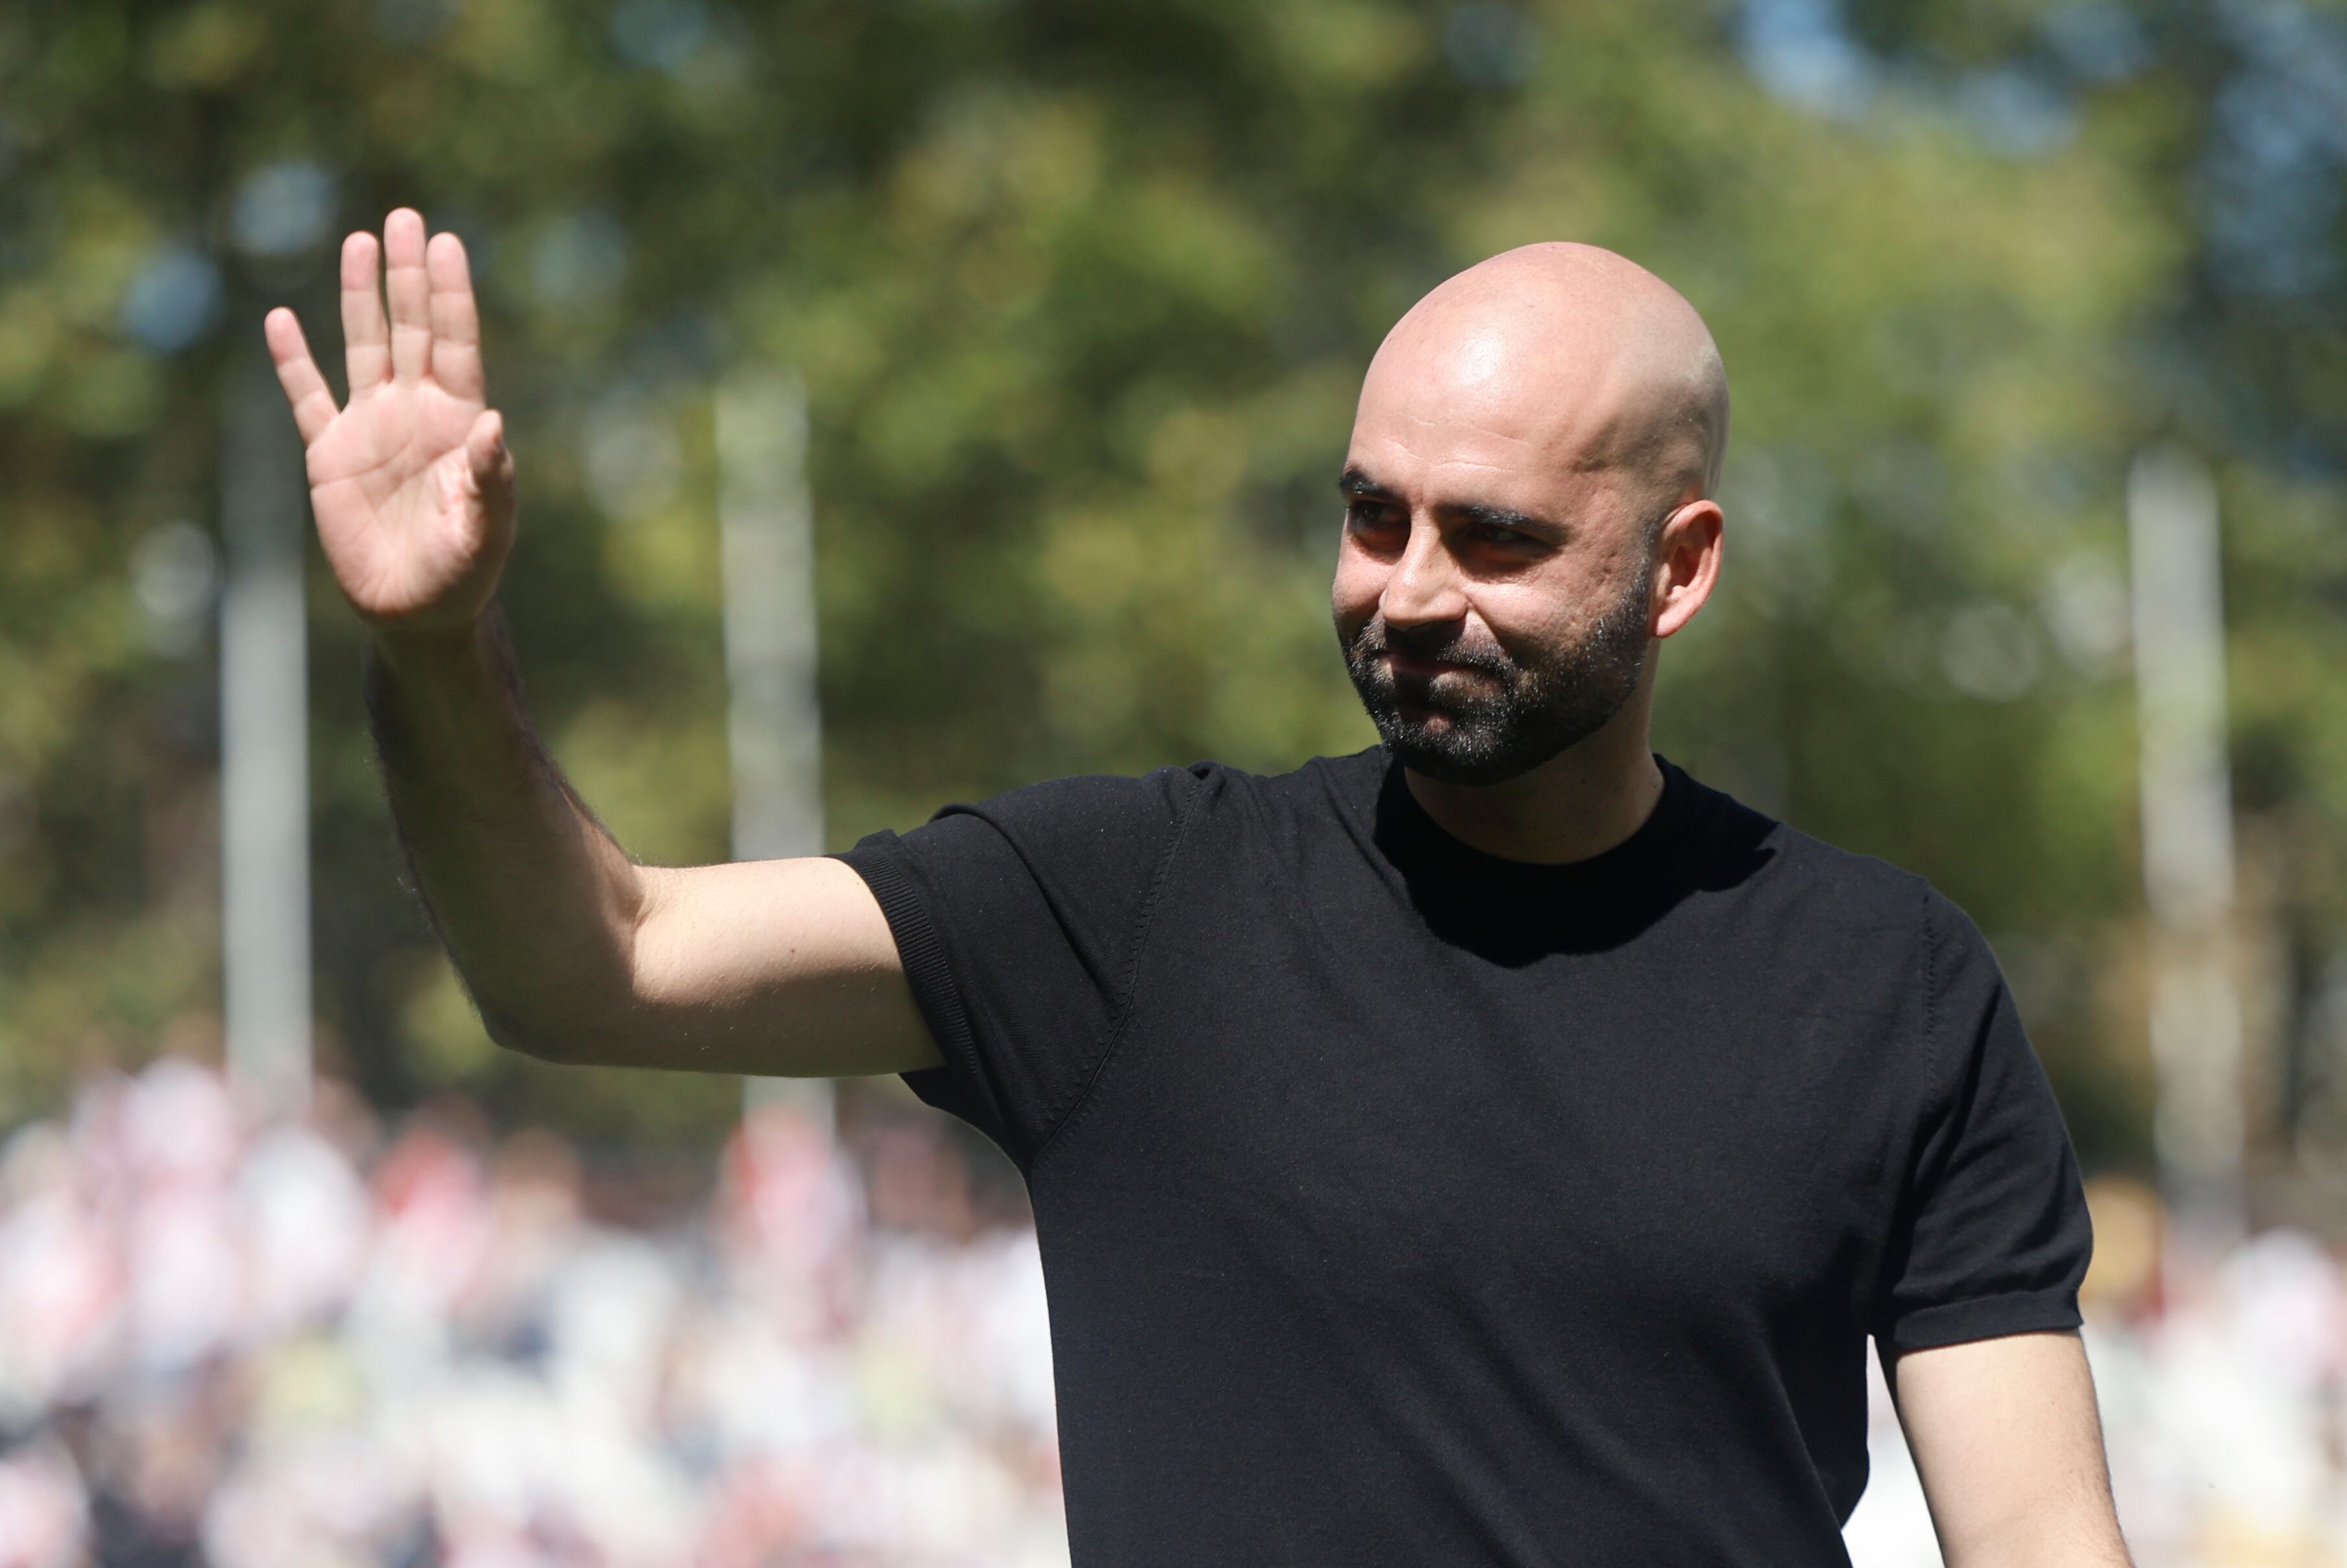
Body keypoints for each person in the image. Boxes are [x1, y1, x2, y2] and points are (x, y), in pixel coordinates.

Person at [265, 209, 2134, 1567]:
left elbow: (2041, 1540)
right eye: (1370, 513)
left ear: (1680, 567)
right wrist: (438, 655)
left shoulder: (1889, 986)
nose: (1407, 589)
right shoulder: (1134, 910)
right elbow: (595, 967)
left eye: (1495, 538)